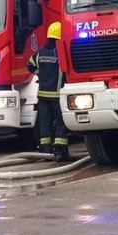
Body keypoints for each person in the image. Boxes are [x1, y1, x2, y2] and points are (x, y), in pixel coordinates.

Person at [27, 21, 75, 162]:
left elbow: (30, 66)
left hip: (42, 95)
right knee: (60, 122)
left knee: (45, 123)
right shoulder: (61, 52)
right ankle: (60, 152)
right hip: (57, 95)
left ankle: (46, 151)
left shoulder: (40, 52)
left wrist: (40, 74)